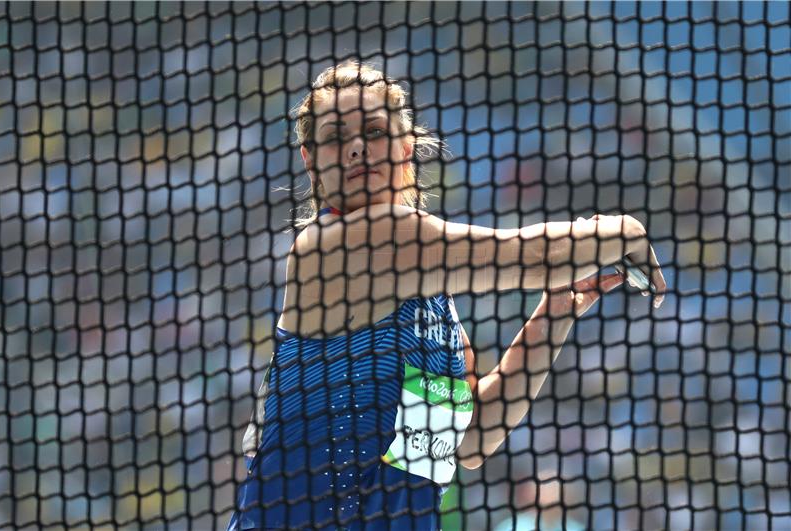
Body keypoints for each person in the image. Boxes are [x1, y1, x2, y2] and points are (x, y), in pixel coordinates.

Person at [227, 60, 666, 530]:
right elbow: (537, 257)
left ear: (406, 147)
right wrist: (625, 230)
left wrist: (554, 312)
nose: (357, 148)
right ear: (310, 159)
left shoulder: (433, 304)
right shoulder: (336, 244)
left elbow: (475, 437)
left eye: (374, 131)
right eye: (336, 137)